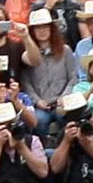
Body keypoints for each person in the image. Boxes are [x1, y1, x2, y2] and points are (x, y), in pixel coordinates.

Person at [22, 8, 78, 139]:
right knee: (39, 121)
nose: (42, 31)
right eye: (37, 28)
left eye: (45, 27)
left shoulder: (65, 50)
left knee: (66, 117)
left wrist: (64, 96)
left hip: (62, 101)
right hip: (42, 104)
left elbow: (73, 77)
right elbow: (26, 82)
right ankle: (40, 150)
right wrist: (37, 101)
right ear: (32, 31)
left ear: (51, 28)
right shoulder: (28, 54)